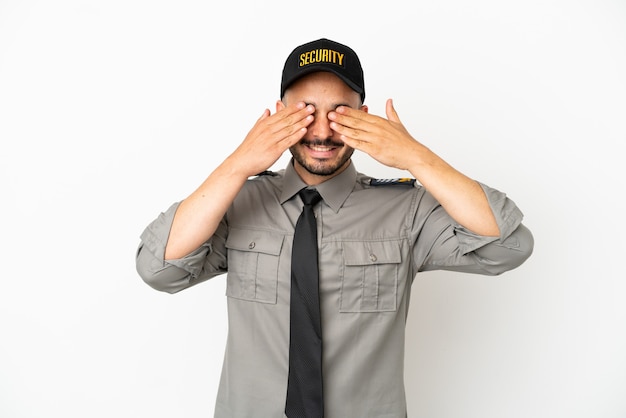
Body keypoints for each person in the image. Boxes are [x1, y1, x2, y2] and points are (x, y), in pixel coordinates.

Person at [135, 38, 534, 418]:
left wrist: (415, 157)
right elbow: (159, 269)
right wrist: (239, 163)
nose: (322, 131)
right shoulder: (236, 201)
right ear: (277, 114)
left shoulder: (406, 209)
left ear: (364, 117)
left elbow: (509, 245)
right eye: (305, 112)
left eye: (340, 113)